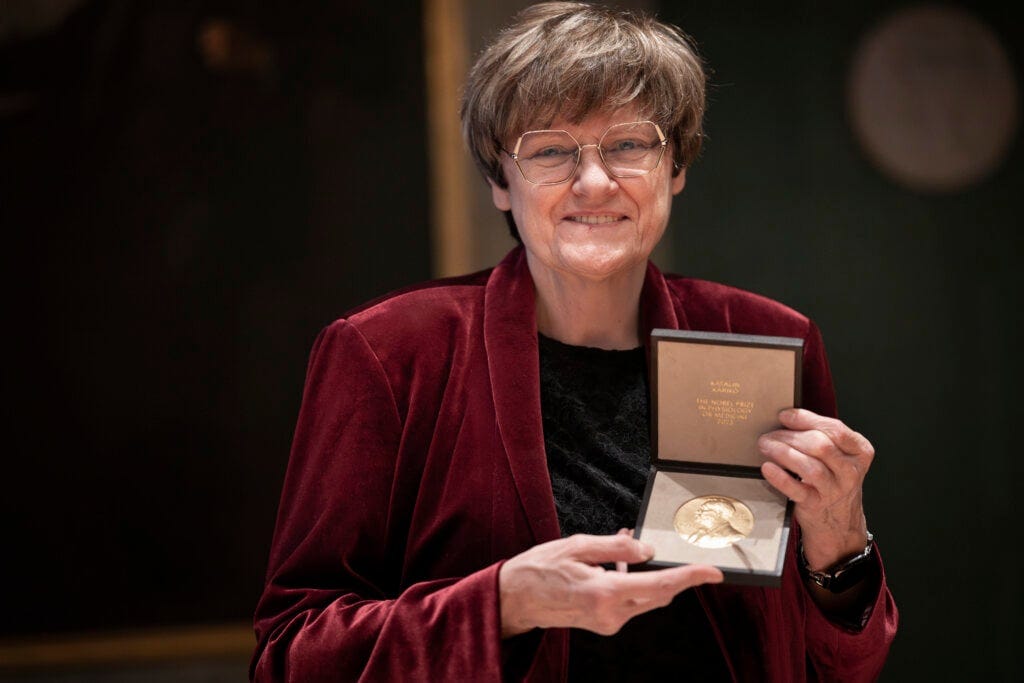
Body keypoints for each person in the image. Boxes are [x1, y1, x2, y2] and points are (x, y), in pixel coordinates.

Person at [251, 2, 898, 680]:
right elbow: (291, 656)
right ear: (502, 183)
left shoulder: (766, 338)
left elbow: (842, 665)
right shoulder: (386, 354)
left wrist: (839, 541)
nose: (594, 182)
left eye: (628, 145)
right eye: (551, 151)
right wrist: (502, 602)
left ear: (675, 165)